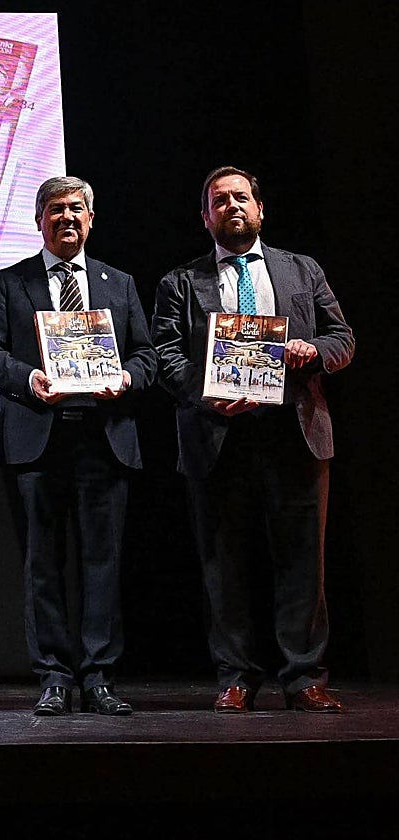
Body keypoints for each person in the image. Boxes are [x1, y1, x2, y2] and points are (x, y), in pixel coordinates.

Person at [151, 166, 354, 713]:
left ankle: (304, 675)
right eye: (219, 201)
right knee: (224, 562)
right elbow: (166, 357)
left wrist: (314, 350)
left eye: (241, 198)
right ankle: (235, 675)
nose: (232, 206)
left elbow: (343, 338)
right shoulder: (180, 282)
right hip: (217, 438)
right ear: (205, 217)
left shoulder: (302, 270)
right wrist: (202, 393)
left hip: (294, 433)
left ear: (260, 209)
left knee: (302, 561)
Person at [0, 176, 156, 716]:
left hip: (104, 438)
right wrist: (30, 379)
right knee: (42, 563)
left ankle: (98, 676)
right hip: (36, 437)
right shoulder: (10, 282)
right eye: (56, 210)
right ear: (38, 221)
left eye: (77, 209)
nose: (67, 218)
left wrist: (124, 379)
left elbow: (146, 357)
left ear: (91, 219)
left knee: (103, 559)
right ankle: (53, 674)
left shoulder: (118, 284)